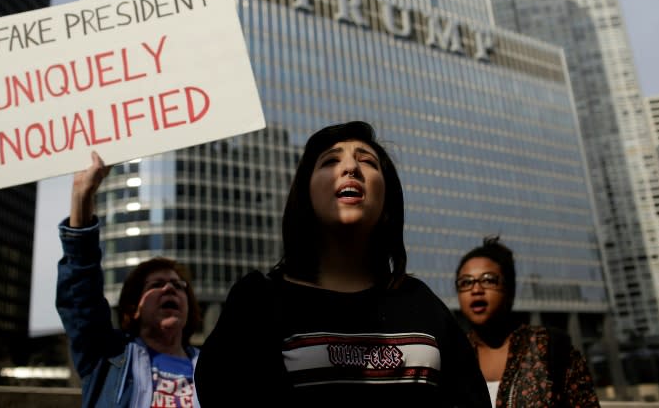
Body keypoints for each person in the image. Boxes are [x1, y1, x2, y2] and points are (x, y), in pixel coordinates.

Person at [195, 121, 490, 407]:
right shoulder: (256, 302)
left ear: (387, 201)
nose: (350, 168)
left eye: (368, 162)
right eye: (330, 161)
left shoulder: (423, 304)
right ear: (305, 196)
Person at [56, 151, 202, 408]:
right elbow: (81, 295)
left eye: (179, 286)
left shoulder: (215, 369)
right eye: (156, 285)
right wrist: (81, 195)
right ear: (134, 309)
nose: (170, 287)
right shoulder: (109, 356)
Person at [455, 235, 600, 407]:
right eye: (466, 282)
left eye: (488, 280)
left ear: (510, 290)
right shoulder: (453, 358)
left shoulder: (550, 348)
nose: (476, 289)